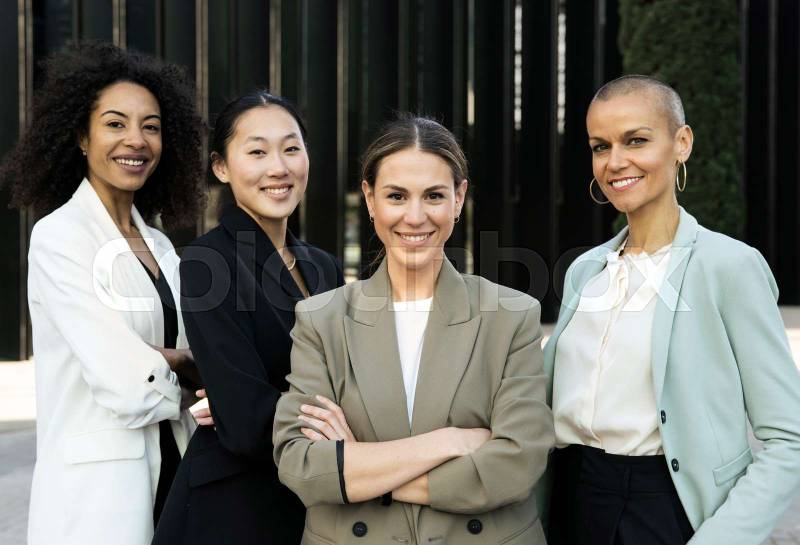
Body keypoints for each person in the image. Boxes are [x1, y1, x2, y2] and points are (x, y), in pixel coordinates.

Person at [273, 114, 554, 545]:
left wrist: (359, 465)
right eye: (397, 196)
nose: (416, 216)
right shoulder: (321, 320)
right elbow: (303, 467)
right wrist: (447, 442)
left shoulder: (512, 316)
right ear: (370, 199)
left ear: (459, 198)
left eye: (435, 195)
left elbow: (515, 465)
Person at [544, 74, 800, 545]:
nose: (615, 162)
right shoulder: (585, 270)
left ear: (681, 142)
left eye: (636, 140)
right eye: (601, 146)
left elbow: (790, 439)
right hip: (570, 501)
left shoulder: (729, 266)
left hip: (664, 511)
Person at [0, 42, 205, 545]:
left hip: (174, 477)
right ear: (81, 137)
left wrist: (166, 359)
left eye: (151, 126)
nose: (135, 139)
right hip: (99, 498)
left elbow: (192, 361)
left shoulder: (158, 243)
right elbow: (124, 384)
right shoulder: (60, 236)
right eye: (115, 123)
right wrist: (182, 364)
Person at [152, 90, 344, 545]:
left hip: (310, 501)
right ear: (222, 167)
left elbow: (348, 385)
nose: (278, 167)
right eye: (256, 151)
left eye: (291, 148)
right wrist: (337, 421)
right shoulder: (206, 261)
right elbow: (244, 424)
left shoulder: (324, 266)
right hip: (234, 508)